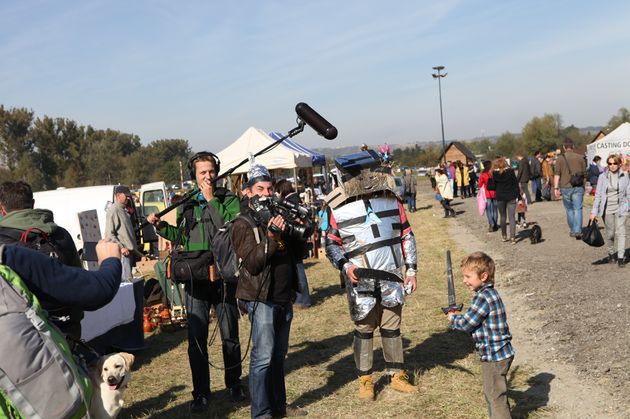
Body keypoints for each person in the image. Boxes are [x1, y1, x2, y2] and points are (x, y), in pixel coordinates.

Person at [147, 152, 244, 413]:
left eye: (211, 171)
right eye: (202, 172)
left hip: (223, 275)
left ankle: (234, 383)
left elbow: (230, 226)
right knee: (196, 340)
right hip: (195, 277)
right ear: (194, 175)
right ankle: (201, 392)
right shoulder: (187, 203)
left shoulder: (228, 199)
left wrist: (212, 199)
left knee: (230, 335)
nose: (208, 176)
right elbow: (181, 236)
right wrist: (161, 228)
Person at [325, 151, 417, 402]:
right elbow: (331, 244)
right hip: (360, 279)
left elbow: (406, 235)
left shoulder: (391, 200)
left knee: (392, 326)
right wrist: (346, 267)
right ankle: (365, 379)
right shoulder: (338, 207)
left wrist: (411, 270)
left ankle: (397, 375)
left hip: (390, 275)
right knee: (364, 328)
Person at [232, 164, 308, 419]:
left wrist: (297, 230)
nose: (265, 193)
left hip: (283, 295)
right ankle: (261, 413)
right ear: (247, 192)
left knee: (278, 356)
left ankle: (279, 406)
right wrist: (272, 237)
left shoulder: (278, 213)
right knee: (262, 358)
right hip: (260, 298)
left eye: (268, 188)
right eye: (259, 188)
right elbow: (253, 263)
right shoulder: (243, 223)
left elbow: (299, 255)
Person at [0, 181, 83, 339]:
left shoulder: (2, 242)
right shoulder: (61, 234)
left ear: (2, 209)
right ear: (32, 203)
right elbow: (78, 277)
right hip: (69, 323)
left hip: (26, 331)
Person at [446, 252, 514, 419]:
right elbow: (474, 319)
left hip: (494, 355)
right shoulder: (489, 294)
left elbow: (467, 323)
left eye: (468, 276)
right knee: (493, 392)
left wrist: (453, 318)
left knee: (495, 395)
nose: (464, 280)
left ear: (483, 276)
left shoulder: (483, 297)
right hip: (497, 353)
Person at [275, 179, 312, 309]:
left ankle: (303, 300)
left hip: (294, 239)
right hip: (298, 239)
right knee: (297, 268)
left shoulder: (290, 201)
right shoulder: (296, 198)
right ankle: (299, 298)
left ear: (281, 190)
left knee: (298, 269)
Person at [589, 154, 629, 267]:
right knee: (610, 234)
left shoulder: (625, 176)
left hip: (621, 209)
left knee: (621, 233)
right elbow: (598, 196)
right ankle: (611, 253)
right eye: (610, 163)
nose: (612, 166)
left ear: (619, 164)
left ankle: (621, 258)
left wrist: (627, 206)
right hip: (607, 209)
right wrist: (594, 212)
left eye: (615, 163)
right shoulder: (602, 177)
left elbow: (628, 193)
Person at [554, 139, 587, 239]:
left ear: (564, 147)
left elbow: (557, 174)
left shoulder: (559, 159)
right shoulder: (580, 158)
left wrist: (555, 188)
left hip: (565, 187)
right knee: (578, 209)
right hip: (578, 187)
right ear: (573, 146)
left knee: (569, 210)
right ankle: (578, 230)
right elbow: (585, 174)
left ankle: (573, 230)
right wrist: (584, 186)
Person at [105, 186, 138, 281]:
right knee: (126, 284)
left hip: (129, 254)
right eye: (126, 196)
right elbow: (109, 235)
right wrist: (121, 247)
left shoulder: (123, 210)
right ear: (118, 195)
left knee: (129, 283)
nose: (128, 198)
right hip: (123, 255)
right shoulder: (113, 210)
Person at [492, 157, 519, 244]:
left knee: (503, 217)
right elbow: (515, 184)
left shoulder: (494, 174)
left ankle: (504, 236)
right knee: (512, 218)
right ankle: (513, 238)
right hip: (511, 196)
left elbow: (492, 186)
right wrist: (519, 196)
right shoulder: (511, 172)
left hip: (500, 197)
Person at [478, 161, 498, 232]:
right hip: (495, 193)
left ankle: (491, 224)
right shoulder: (494, 173)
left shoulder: (483, 174)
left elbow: (480, 184)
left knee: (489, 210)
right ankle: (495, 224)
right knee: (495, 209)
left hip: (487, 194)